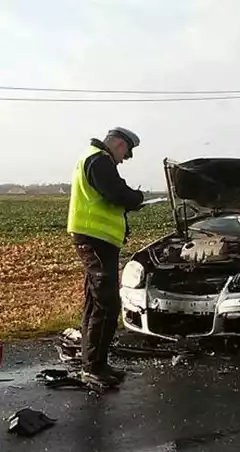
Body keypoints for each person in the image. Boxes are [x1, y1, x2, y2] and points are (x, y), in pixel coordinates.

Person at [66, 127, 144, 387]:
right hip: (96, 241)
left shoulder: (92, 158)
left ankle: (94, 363)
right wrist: (137, 198)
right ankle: (94, 368)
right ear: (120, 145)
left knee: (95, 302)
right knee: (107, 304)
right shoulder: (100, 161)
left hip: (95, 241)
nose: (123, 160)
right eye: (126, 154)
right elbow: (117, 193)